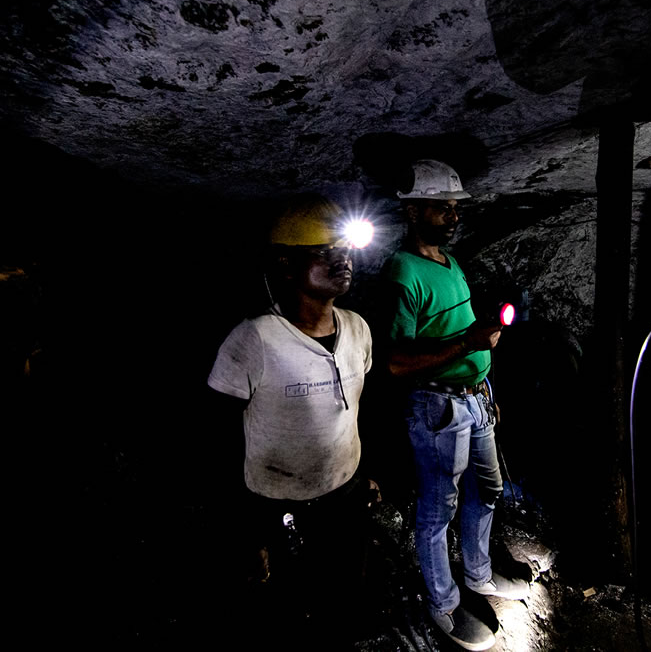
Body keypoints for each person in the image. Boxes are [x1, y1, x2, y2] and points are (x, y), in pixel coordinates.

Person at [207, 193, 374, 634]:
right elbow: (220, 434)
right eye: (324, 253)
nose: (342, 260)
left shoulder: (358, 327)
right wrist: (247, 532)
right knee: (290, 602)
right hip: (275, 500)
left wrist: (366, 474)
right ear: (285, 265)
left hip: (344, 490)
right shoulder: (254, 340)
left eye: (345, 250)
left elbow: (357, 407)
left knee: (346, 589)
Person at [384, 160, 528, 651]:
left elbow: (458, 331)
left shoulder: (450, 261)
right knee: (437, 509)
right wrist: (468, 345)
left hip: (474, 400)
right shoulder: (402, 273)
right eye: (442, 209)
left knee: (487, 490)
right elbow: (395, 363)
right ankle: (443, 603)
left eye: (454, 208)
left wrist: (484, 383)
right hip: (437, 408)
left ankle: (479, 575)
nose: (453, 217)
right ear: (413, 211)